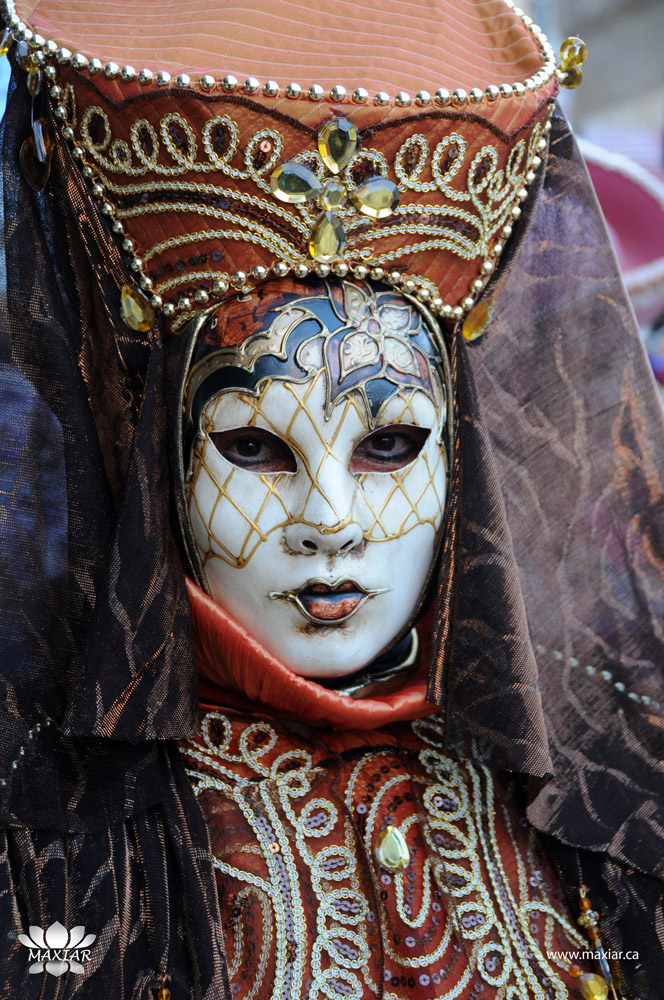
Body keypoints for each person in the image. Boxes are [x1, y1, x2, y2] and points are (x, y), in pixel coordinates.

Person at [0, 2, 662, 998]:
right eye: (254, 448)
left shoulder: (601, 772)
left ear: (462, 455)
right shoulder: (47, 824)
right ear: (157, 460)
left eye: (390, 445)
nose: (332, 523)